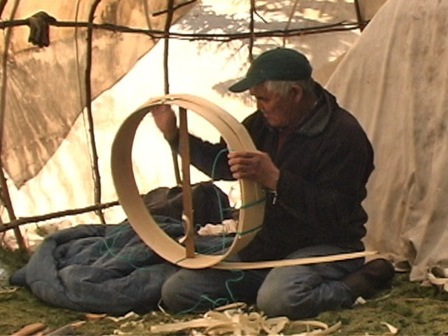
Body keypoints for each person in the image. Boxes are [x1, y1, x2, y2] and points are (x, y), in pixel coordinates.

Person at [151, 47, 395, 319]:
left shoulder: (343, 136)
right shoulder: (262, 124)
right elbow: (223, 163)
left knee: (280, 300)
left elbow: (336, 213)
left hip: (325, 246)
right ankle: (270, 283)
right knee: (178, 291)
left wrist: (276, 179)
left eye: (264, 99)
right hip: (266, 245)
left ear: (295, 94)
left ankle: (359, 281)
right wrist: (174, 135)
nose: (259, 107)